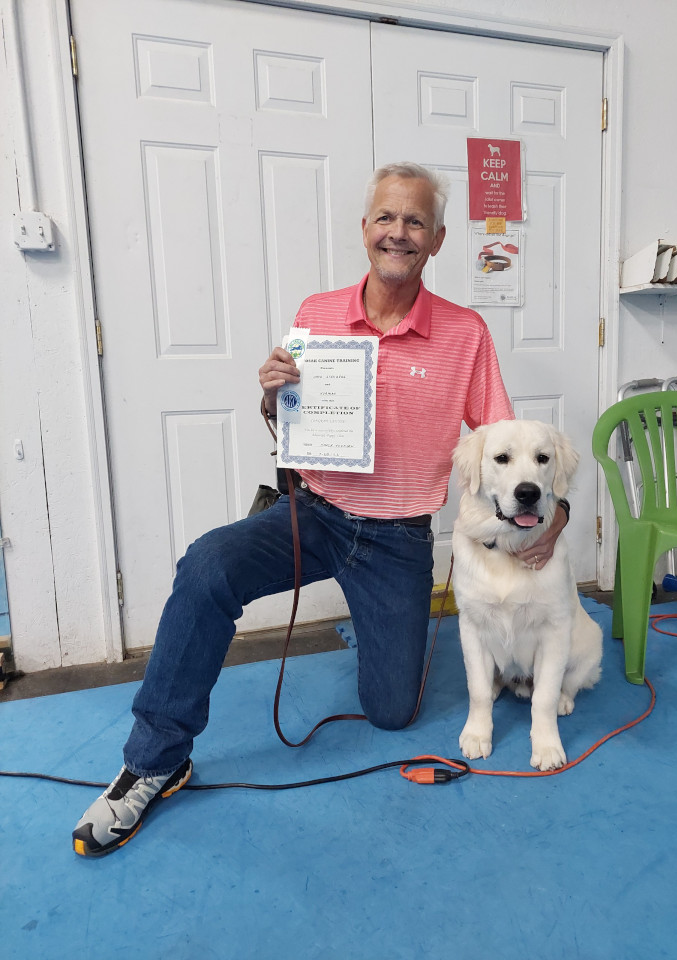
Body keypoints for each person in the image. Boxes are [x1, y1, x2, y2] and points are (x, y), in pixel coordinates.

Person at [72, 162, 568, 857]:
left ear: (439, 239)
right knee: (208, 564)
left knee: (393, 715)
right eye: (387, 218)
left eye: (416, 221)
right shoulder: (317, 314)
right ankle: (155, 759)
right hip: (316, 512)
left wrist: (557, 516)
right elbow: (290, 426)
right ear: (366, 229)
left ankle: (371, 623)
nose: (399, 232)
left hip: (398, 538)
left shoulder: (466, 333)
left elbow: (511, 447)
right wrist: (274, 396)